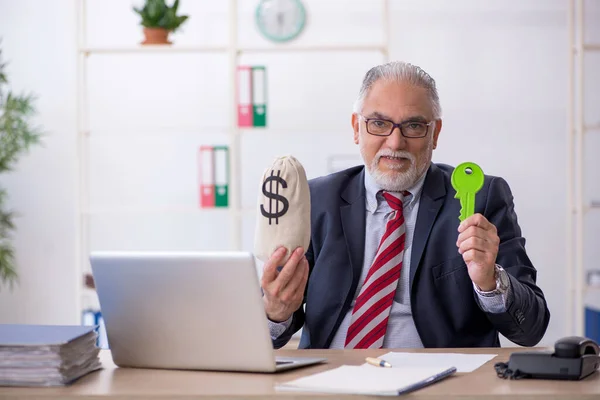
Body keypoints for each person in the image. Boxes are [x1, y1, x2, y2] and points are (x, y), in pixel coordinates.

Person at [260, 61, 550, 349]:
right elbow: (274, 333)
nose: (395, 142)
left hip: (443, 383)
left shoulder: (482, 198)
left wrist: (489, 280)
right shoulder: (317, 199)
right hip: (331, 379)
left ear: (434, 133)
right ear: (356, 128)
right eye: (378, 123)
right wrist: (276, 311)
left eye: (413, 125)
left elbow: (531, 330)